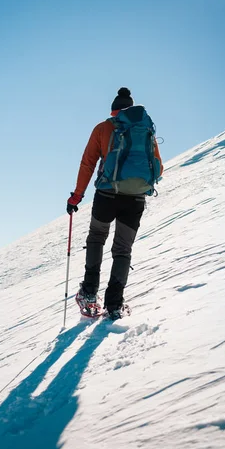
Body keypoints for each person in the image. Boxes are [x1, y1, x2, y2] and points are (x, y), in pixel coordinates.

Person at [66, 88, 163, 320]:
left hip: (107, 196)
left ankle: (89, 293)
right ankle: (115, 305)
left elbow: (87, 164)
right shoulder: (145, 128)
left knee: (97, 238)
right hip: (135, 198)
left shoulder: (103, 128)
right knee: (122, 249)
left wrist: (76, 196)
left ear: (113, 110)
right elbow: (158, 165)